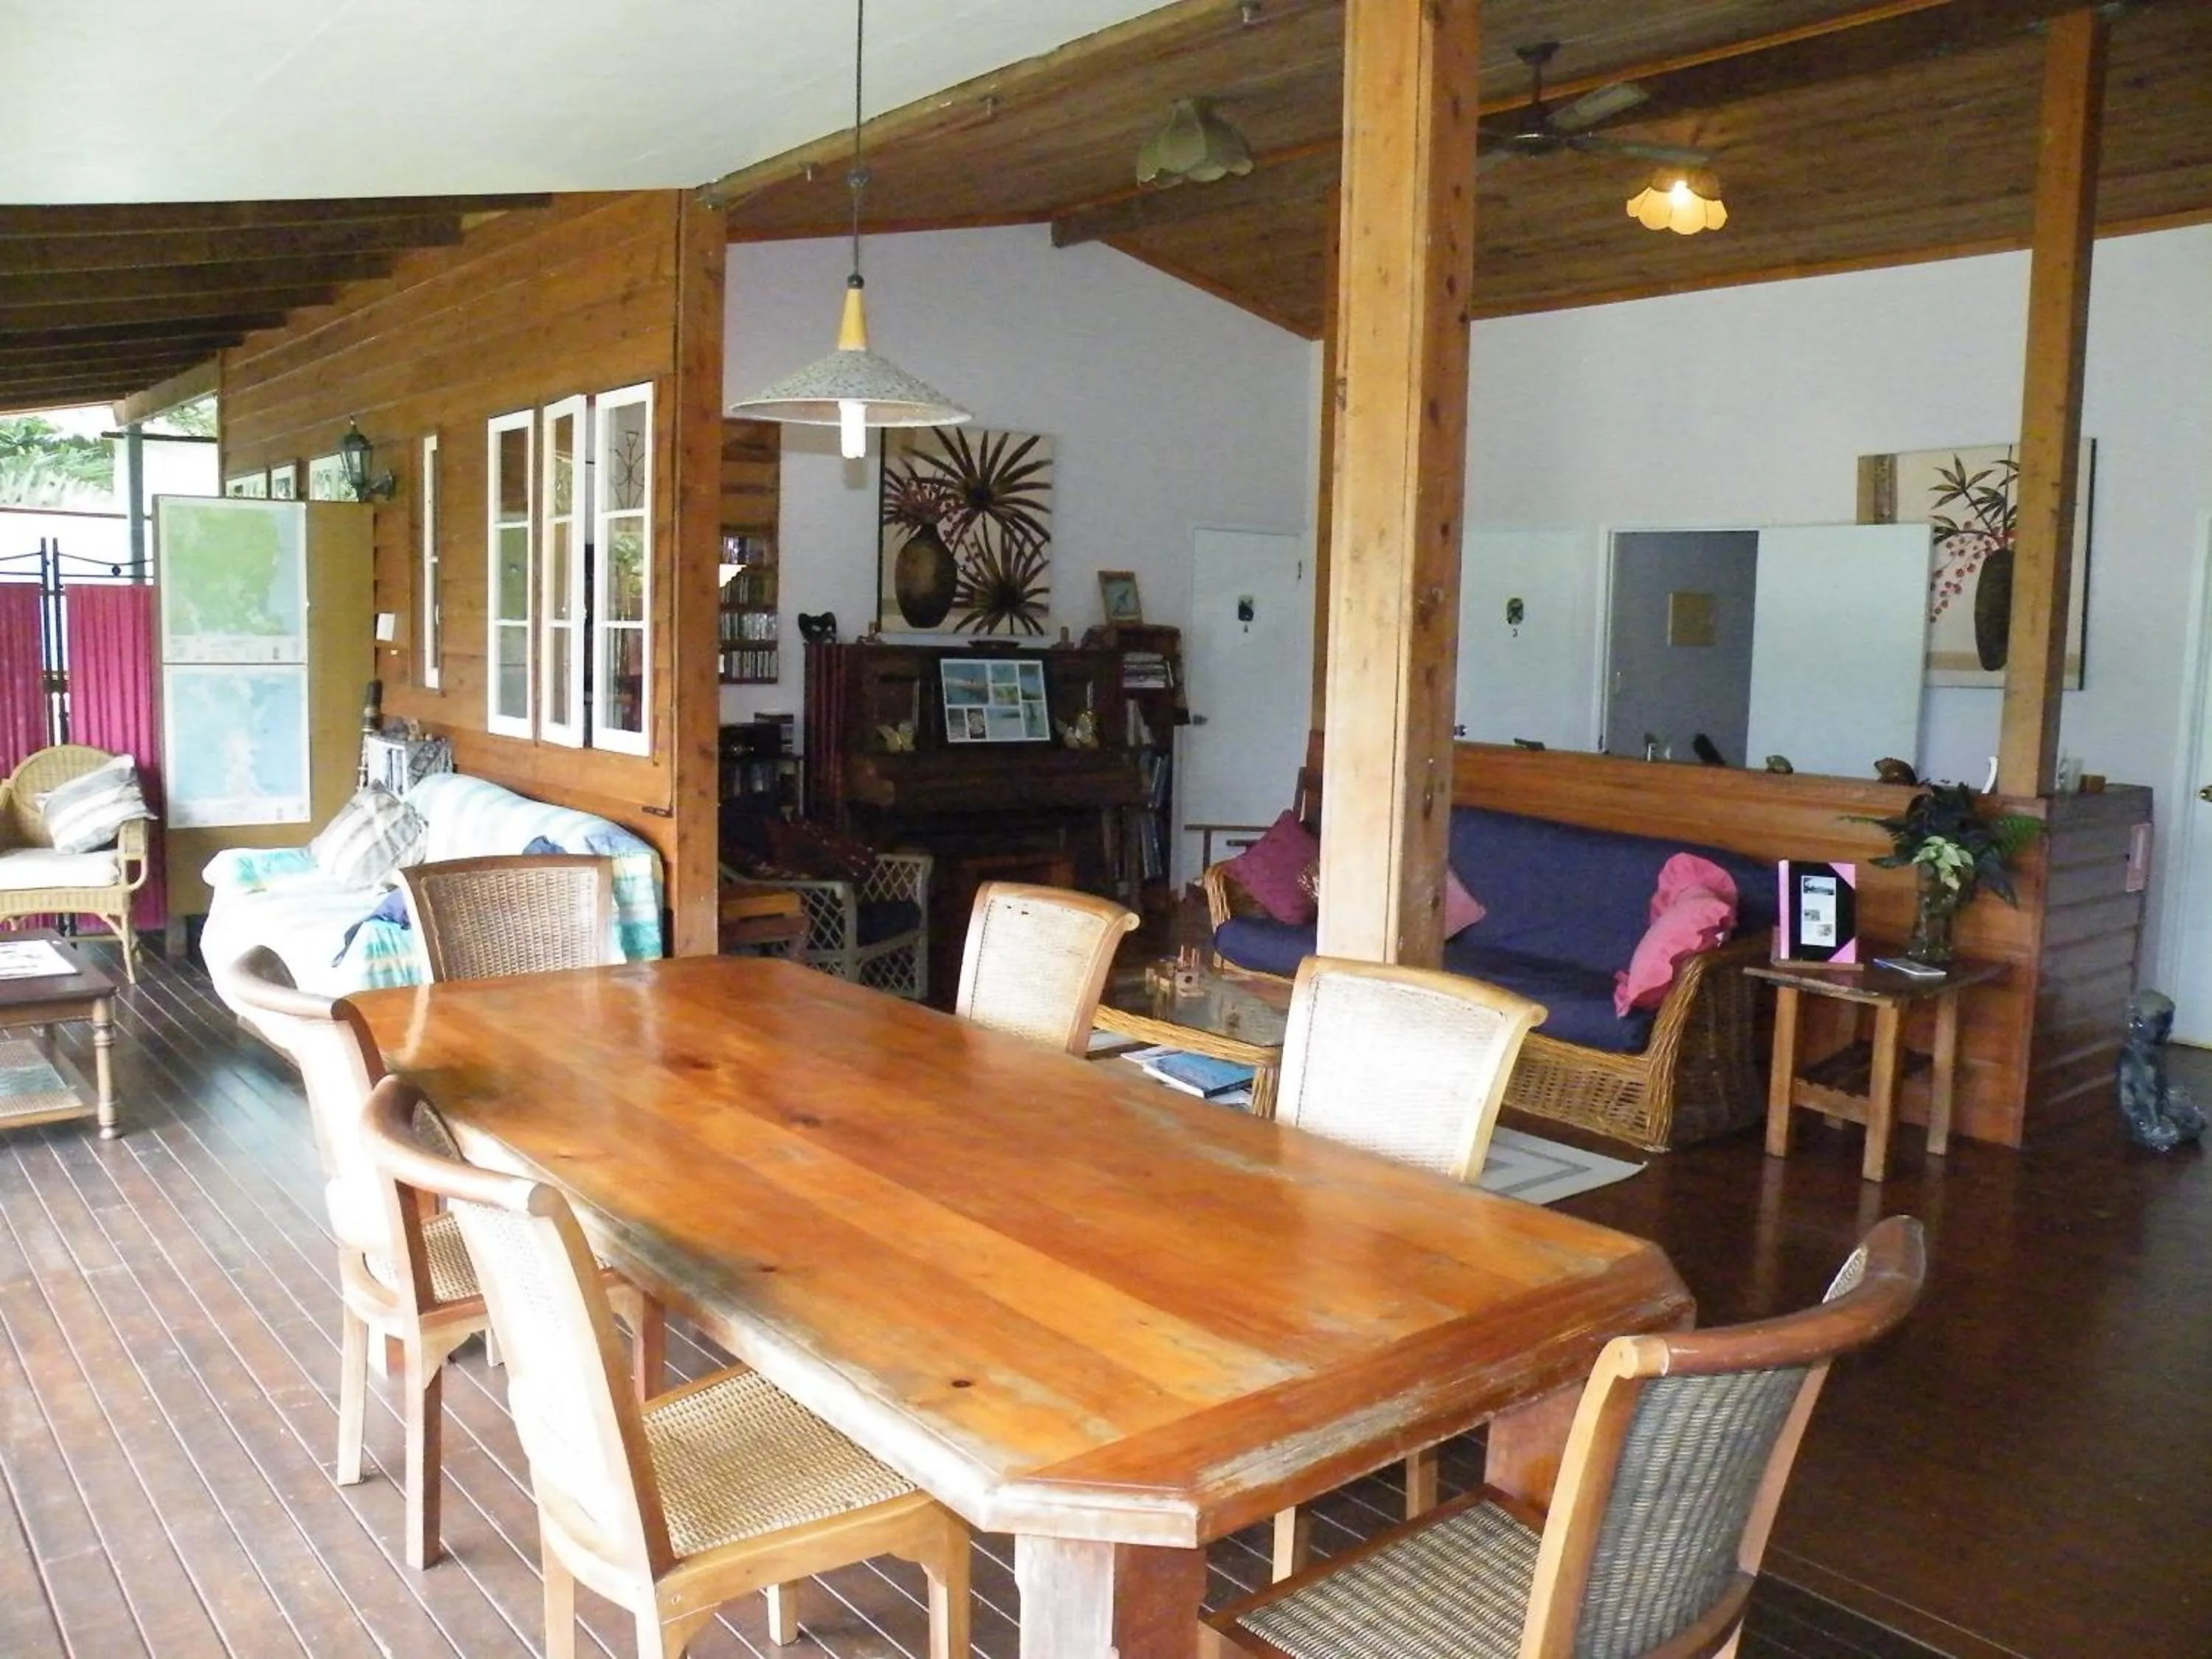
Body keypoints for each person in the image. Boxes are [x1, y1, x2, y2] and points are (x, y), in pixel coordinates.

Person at [2117, 989, 2205, 1152]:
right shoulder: (2133, 1059)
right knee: (2173, 1130)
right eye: (2162, 1026)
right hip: (2144, 1115)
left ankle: (2177, 1124)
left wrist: (2171, 1097)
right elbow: (2141, 1098)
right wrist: (2151, 1121)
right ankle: (2157, 1133)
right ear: (2137, 1023)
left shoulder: (2152, 1052)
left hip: (2157, 1106)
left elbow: (2158, 1087)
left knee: (2189, 1116)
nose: (2168, 1031)